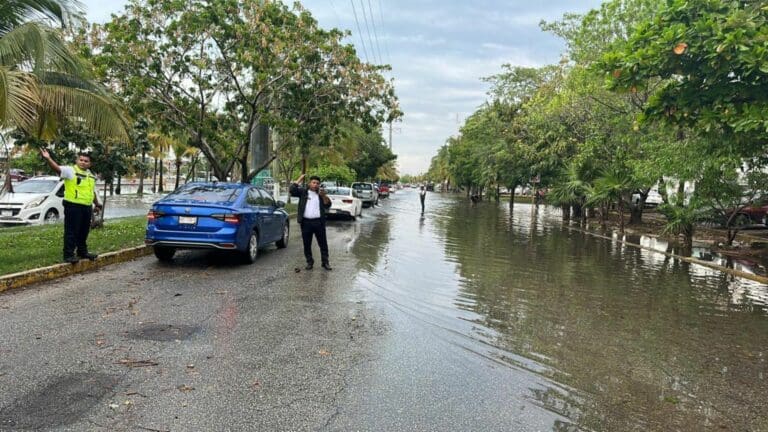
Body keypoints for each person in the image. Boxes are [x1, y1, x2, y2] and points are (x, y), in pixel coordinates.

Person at [40, 148, 102, 263]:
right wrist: (48, 159)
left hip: (87, 207)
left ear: (90, 163)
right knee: (72, 231)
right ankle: (68, 255)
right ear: (77, 160)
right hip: (73, 206)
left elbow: (91, 191)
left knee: (84, 231)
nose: (83, 162)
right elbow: (58, 169)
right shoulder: (70, 171)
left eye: (86, 161)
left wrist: (97, 204)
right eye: (81, 160)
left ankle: (82, 252)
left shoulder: (90, 175)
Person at [289, 174, 333, 271]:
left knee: (323, 244)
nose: (315, 185)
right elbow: (292, 190)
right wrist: (299, 179)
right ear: (309, 183)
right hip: (306, 223)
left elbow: (328, 205)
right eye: (313, 182)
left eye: (317, 183)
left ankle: (325, 262)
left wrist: (324, 196)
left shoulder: (321, 194)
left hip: (319, 223)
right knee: (307, 244)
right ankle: (309, 262)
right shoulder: (303, 192)